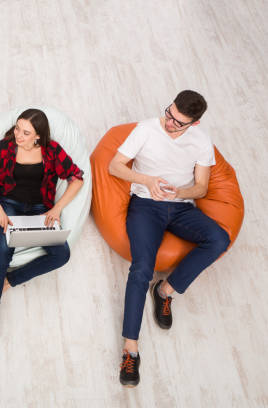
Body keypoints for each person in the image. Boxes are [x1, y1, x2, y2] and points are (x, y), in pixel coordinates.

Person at [109, 90, 231, 387]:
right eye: (169, 113)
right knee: (141, 268)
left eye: (178, 122)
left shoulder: (201, 141)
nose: (169, 123)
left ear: (195, 124)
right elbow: (115, 166)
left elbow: (201, 187)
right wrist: (148, 180)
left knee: (218, 239)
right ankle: (130, 349)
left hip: (180, 206)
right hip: (145, 206)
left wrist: (179, 192)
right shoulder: (147, 129)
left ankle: (165, 291)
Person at [0, 108, 84, 359]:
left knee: (62, 254)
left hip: (40, 210)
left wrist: (57, 208)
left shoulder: (52, 151)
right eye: (17, 129)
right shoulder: (5, 147)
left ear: (38, 136)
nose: (18, 135)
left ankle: (10, 281)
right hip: (8, 206)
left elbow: (77, 178)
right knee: (0, 257)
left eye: (25, 132)